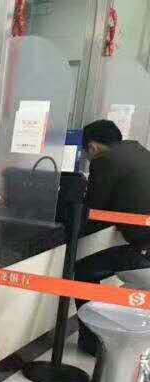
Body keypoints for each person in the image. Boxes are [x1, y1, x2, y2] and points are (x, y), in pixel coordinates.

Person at [74, 120, 150, 355]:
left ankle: (93, 342)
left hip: (144, 251)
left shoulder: (104, 161)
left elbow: (94, 210)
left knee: (83, 272)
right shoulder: (140, 151)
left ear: (93, 147)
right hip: (144, 244)